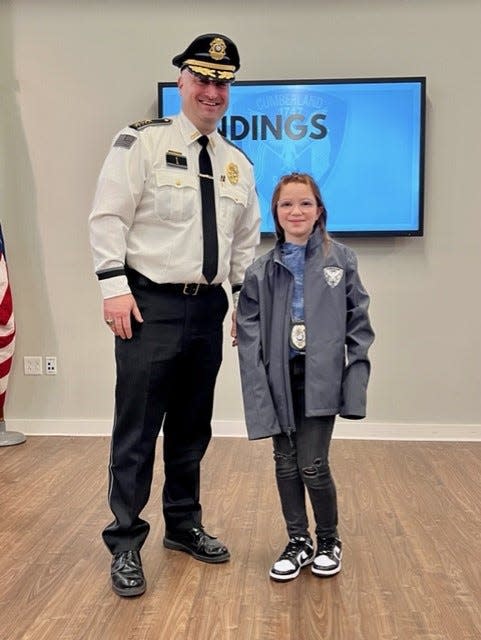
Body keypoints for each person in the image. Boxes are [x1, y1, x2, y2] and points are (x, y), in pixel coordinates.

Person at [89, 33, 260, 597]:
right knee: (137, 430)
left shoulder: (237, 163)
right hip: (149, 305)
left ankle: (183, 526)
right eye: (202, 79)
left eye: (222, 82)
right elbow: (109, 217)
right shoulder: (140, 141)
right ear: (182, 81)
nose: (212, 91)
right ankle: (125, 540)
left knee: (192, 429)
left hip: (207, 309)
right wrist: (113, 289)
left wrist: (243, 304)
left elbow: (243, 245)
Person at [236, 172, 374, 582]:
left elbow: (358, 328)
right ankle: (298, 542)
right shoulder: (260, 270)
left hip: (322, 379)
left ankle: (329, 540)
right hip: (280, 378)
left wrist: (354, 384)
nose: (296, 211)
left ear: (319, 212)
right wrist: (258, 393)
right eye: (286, 205)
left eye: (305, 204)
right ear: (275, 215)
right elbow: (248, 337)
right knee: (284, 463)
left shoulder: (341, 260)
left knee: (312, 464)